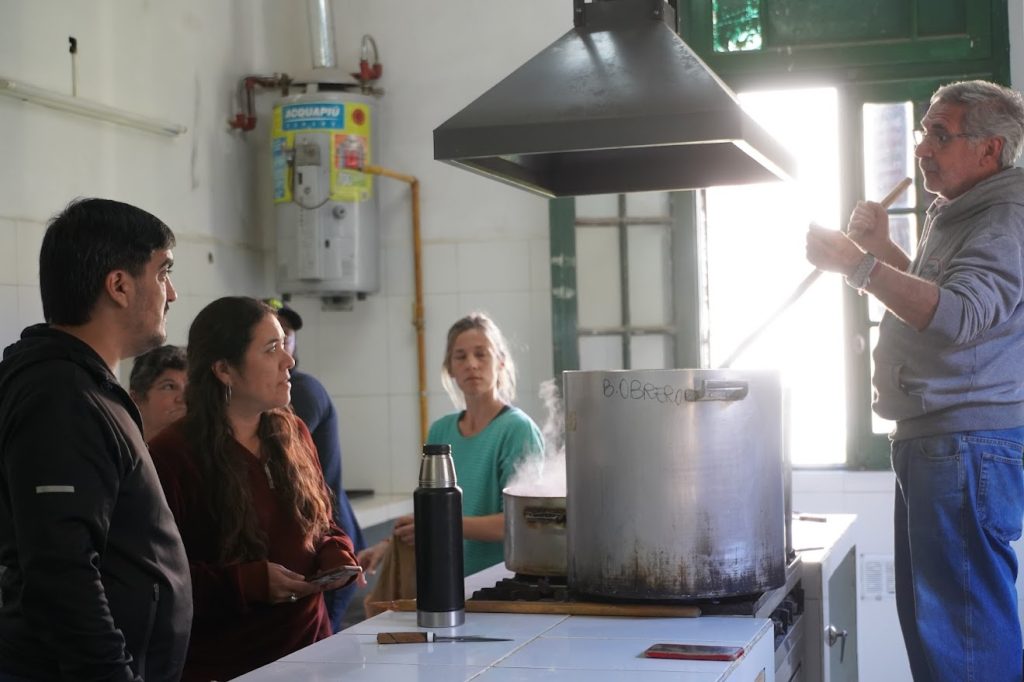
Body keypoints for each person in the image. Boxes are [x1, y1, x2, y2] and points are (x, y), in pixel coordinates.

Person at [805, 80, 1024, 682]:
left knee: (963, 641)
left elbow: (956, 318)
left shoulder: (1006, 213)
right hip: (946, 444)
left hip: (965, 444)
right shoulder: (966, 209)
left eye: (940, 134)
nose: (923, 148)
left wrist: (857, 264)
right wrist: (880, 250)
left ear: (990, 150)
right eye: (925, 132)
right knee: (941, 636)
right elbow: (945, 300)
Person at [0, 198, 192, 680]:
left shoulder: (86, 386)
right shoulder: (60, 395)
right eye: (163, 271)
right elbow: (60, 571)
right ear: (120, 285)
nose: (171, 293)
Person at [148, 296, 363, 681]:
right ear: (224, 370)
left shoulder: (292, 431)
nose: (289, 361)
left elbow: (323, 523)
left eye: (284, 345)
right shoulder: (173, 454)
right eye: (270, 349)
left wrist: (336, 553)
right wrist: (247, 583)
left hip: (314, 651)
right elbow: (161, 581)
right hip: (232, 665)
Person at [360, 312, 544, 577]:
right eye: (461, 356)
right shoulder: (440, 431)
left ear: (501, 362)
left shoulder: (517, 430)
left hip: (502, 583)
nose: (471, 364)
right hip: (447, 581)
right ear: (450, 368)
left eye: (481, 354)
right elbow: (431, 513)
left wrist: (440, 524)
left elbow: (522, 522)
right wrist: (391, 545)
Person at [264, 297, 367, 632]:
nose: (284, 348)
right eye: (272, 341)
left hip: (326, 546)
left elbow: (277, 460)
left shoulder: (302, 391)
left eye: (288, 335)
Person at [129, 343, 187, 441]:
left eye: (190, 388)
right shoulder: (116, 452)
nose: (183, 398)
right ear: (136, 400)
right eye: (169, 387)